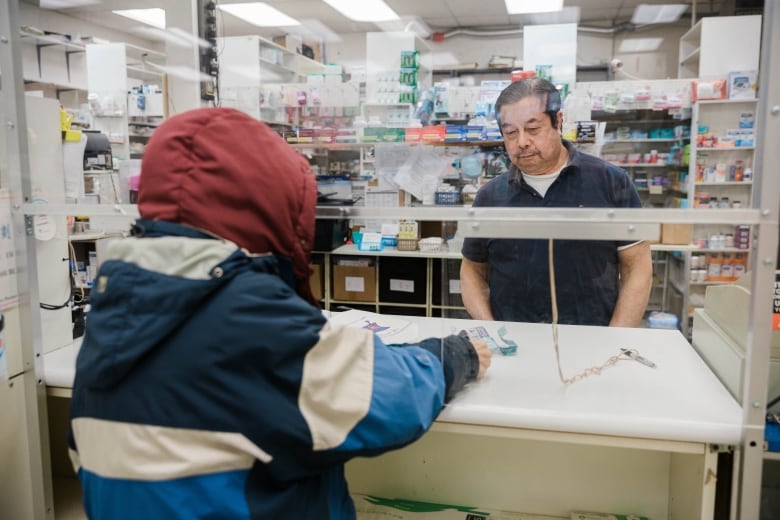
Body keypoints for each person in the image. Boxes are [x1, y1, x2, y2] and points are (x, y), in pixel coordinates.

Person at [68, 107, 491, 519]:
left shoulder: (118, 301)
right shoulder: (242, 316)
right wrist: (455, 355)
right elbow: (388, 400)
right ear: (265, 206)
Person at [461, 78, 653, 327]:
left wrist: (615, 339)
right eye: (510, 133)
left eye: (533, 129)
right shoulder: (490, 197)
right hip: (516, 344)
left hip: (593, 341)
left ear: (558, 121)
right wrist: (493, 329)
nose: (521, 142)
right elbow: (471, 272)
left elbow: (637, 268)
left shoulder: (610, 182)